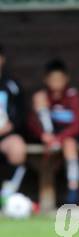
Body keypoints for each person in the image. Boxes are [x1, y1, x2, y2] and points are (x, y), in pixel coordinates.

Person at [28, 59, 79, 204]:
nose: (56, 83)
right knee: (39, 100)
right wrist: (43, 135)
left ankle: (73, 190)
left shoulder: (72, 96)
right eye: (53, 79)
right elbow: (31, 123)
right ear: (46, 80)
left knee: (69, 144)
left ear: (66, 79)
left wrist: (59, 138)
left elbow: (77, 126)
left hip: (67, 136)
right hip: (48, 136)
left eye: (59, 79)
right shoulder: (42, 97)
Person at [0, 45, 27, 202]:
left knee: (18, 148)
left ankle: (7, 194)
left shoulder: (12, 85)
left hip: (6, 135)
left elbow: (22, 112)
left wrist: (11, 126)